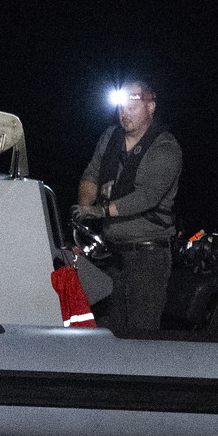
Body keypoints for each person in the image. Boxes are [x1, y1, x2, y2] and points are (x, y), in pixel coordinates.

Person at [75, 79, 181, 335]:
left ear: (150, 107)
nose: (124, 113)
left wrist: (102, 211)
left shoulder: (166, 148)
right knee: (106, 329)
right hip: (111, 255)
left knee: (140, 333)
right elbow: (91, 176)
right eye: (121, 107)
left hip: (148, 257)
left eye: (132, 106)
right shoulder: (110, 137)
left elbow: (148, 196)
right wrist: (81, 220)